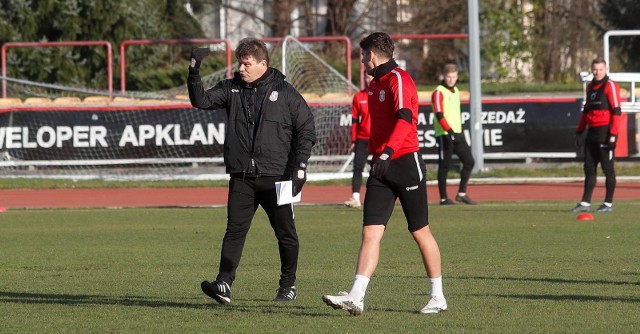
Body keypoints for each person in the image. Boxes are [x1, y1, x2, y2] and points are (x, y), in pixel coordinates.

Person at [322, 32, 447, 315]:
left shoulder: (398, 80)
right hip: (382, 165)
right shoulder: (375, 83)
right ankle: (356, 295)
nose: (362, 59)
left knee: (419, 231)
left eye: (363, 55)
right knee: (370, 232)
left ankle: (438, 296)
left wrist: (389, 152)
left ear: (373, 55)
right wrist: (381, 156)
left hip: (404, 162)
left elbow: (405, 119)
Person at [187, 38, 316, 304]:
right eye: (240, 63)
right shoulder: (231, 88)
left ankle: (288, 286)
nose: (241, 68)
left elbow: (307, 130)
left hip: (278, 177)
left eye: (247, 64)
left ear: (263, 64)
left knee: (286, 234)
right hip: (242, 177)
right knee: (234, 231)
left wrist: (300, 168)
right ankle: (223, 283)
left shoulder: (286, 93)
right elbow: (201, 101)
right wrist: (194, 68)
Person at [572, 57, 621, 213]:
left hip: (605, 132)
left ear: (605, 70)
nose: (597, 72)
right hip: (591, 133)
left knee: (608, 169)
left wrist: (613, 135)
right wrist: (579, 130)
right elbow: (586, 111)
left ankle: (608, 203)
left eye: (600, 69)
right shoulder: (590, 86)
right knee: (589, 168)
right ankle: (585, 203)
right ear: (591, 70)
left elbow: (617, 111)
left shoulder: (610, 85)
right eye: (595, 69)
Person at [431, 63, 476, 205]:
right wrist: (449, 131)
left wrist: (459, 131)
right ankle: (443, 198)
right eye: (448, 77)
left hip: (458, 133)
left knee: (469, 161)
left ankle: (461, 193)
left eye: (454, 77)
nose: (451, 80)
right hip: (444, 134)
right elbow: (439, 113)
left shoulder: (456, 91)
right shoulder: (438, 92)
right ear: (443, 76)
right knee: (444, 165)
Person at [344, 73, 373, 209]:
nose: (369, 80)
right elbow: (355, 121)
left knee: (382, 168)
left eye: (371, 76)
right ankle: (355, 198)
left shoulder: (383, 95)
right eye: (366, 77)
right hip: (362, 139)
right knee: (357, 168)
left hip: (379, 139)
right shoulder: (359, 97)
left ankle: (383, 197)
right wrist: (354, 140)